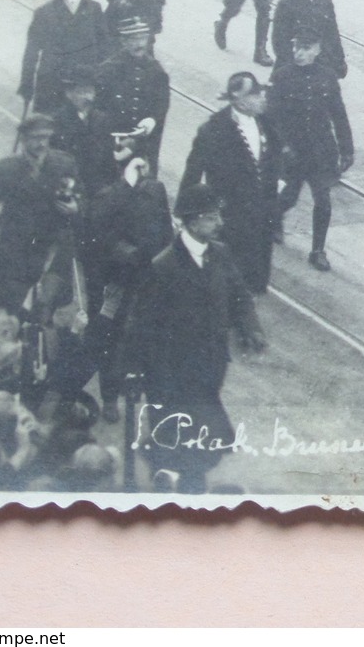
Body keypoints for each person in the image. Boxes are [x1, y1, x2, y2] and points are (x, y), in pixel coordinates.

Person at [123, 182, 266, 494]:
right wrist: (134, 368)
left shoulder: (221, 255)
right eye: (213, 218)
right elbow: (142, 323)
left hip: (210, 366)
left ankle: (172, 473)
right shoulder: (164, 266)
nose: (220, 223)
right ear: (192, 221)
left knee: (198, 432)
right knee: (186, 432)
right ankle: (183, 484)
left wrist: (251, 328)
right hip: (171, 371)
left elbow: (240, 297)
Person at [81, 133, 173, 424]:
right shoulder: (107, 190)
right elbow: (98, 228)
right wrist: (126, 253)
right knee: (107, 338)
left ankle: (139, 396)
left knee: (143, 339)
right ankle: (108, 397)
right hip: (115, 279)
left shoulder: (155, 190)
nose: (140, 165)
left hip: (147, 277)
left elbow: (164, 230)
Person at [179, 72, 283, 294]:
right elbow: (193, 171)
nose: (263, 98)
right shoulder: (214, 130)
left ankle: (251, 301)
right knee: (231, 272)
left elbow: (276, 156)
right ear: (240, 100)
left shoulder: (265, 123)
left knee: (258, 270)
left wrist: (278, 183)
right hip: (231, 216)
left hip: (262, 213)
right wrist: (185, 212)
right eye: (256, 94)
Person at [0, 114, 80, 318]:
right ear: (23, 139)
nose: (41, 143)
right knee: (13, 315)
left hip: (50, 255)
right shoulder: (4, 170)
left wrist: (75, 207)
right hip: (14, 254)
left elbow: (81, 199)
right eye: (36, 138)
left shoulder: (64, 164)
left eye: (46, 137)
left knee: (43, 317)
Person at [269, 31, 354, 273]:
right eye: (297, 47)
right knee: (288, 197)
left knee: (323, 202)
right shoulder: (282, 76)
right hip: (292, 152)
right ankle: (274, 222)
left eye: (306, 48)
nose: (299, 53)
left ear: (317, 50)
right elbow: (271, 118)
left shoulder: (327, 77)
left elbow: (338, 114)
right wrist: (281, 146)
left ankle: (318, 250)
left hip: (320, 152)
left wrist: (347, 149)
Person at [18, 0, 109, 116]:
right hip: (51, 84)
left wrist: (99, 78)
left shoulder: (94, 10)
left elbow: (104, 47)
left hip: (82, 85)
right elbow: (31, 52)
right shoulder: (44, 12)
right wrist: (27, 84)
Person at [94, 15, 170, 175]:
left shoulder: (156, 72)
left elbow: (160, 109)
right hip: (114, 142)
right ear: (123, 41)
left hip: (143, 145)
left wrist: (150, 122)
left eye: (143, 38)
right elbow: (98, 108)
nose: (139, 44)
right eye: (134, 39)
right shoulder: (108, 70)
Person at [272, 0, 347, 78]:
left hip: (323, 61)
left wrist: (340, 60)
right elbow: (280, 42)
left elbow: (332, 32)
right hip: (297, 61)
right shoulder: (286, 4)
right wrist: (293, 65)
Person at [47, 69, 117, 197]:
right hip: (70, 186)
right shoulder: (58, 120)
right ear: (69, 93)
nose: (88, 98)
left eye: (90, 92)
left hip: (97, 186)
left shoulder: (101, 119)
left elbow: (108, 159)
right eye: (82, 92)